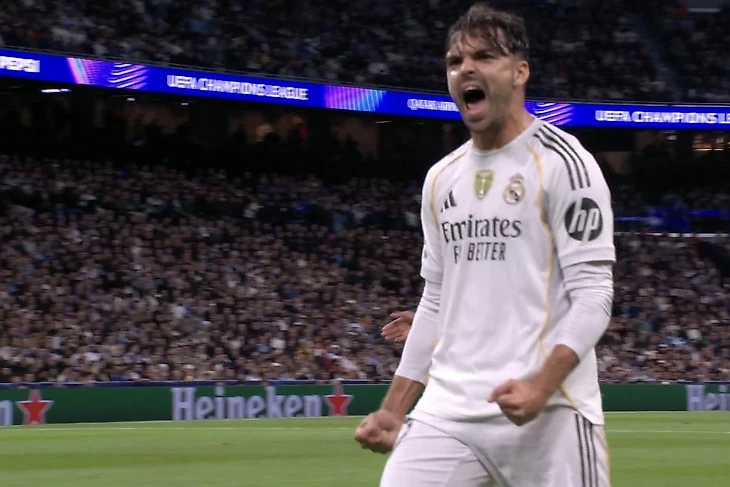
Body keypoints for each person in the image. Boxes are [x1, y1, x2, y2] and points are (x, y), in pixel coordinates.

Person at [355, 3, 616, 486]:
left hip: (551, 413)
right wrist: (393, 410)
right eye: (455, 61)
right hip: (448, 410)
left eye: (484, 57)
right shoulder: (441, 179)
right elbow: (435, 300)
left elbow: (595, 295)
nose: (466, 69)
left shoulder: (565, 163)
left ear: (520, 72)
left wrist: (541, 385)